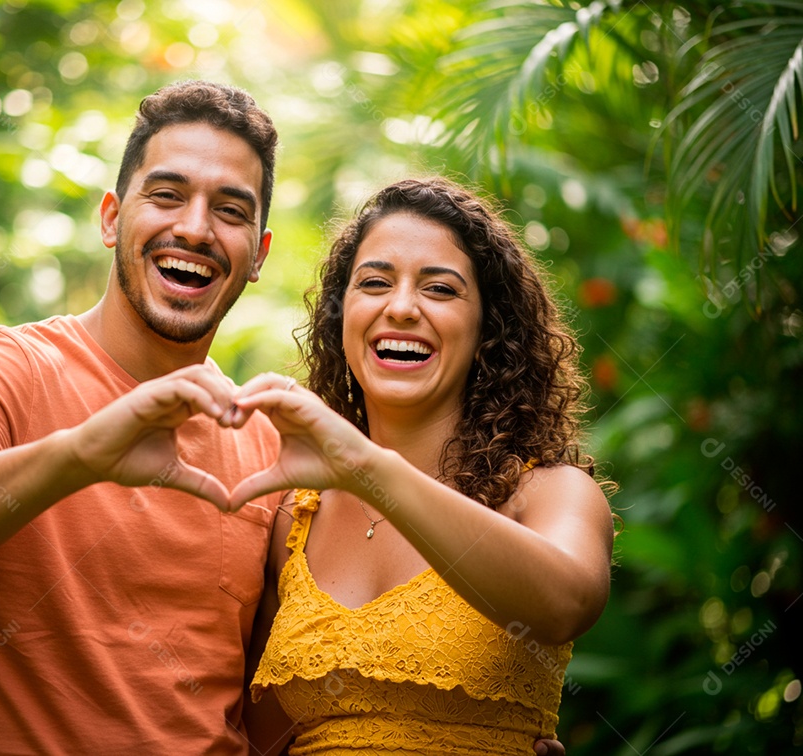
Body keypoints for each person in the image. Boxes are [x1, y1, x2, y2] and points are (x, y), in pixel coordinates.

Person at [0, 80, 283, 753]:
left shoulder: (266, 445)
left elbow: (267, 707)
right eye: (166, 195)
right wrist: (82, 453)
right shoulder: (7, 366)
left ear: (257, 254)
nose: (195, 228)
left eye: (230, 210)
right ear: (112, 218)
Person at [228, 177, 616, 755]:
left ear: (488, 327)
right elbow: (259, 742)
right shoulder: (296, 518)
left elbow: (565, 605)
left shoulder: (548, 492)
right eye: (374, 283)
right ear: (341, 315)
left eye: (439, 289)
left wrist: (367, 467)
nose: (402, 308)